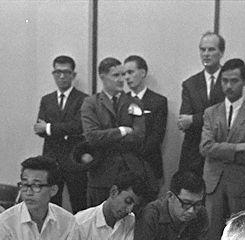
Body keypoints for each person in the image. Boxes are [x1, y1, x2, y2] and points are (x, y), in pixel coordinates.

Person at [200, 57, 245, 240]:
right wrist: (240, 147)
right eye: (224, 81)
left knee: (242, 235)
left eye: (234, 81)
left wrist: (221, 150)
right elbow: (205, 148)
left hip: (241, 183)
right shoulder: (211, 112)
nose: (228, 86)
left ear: (244, 81)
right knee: (210, 233)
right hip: (213, 182)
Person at [80, 57, 151, 206]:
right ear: (102, 77)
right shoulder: (91, 103)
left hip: (129, 173)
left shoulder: (134, 102)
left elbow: (139, 136)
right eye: (116, 75)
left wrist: (106, 137)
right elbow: (92, 137)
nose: (122, 79)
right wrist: (122, 131)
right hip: (101, 173)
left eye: (123, 75)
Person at [35, 55, 89, 213]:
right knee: (52, 205)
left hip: (75, 159)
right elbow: (39, 129)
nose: (62, 76)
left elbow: (79, 127)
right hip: (52, 160)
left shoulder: (84, 99)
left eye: (66, 72)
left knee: (79, 203)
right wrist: (62, 130)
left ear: (73, 75)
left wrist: (50, 128)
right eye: (57, 72)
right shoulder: (47, 100)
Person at [178, 32, 225, 175]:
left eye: (211, 49)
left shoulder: (230, 80)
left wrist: (194, 119)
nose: (206, 54)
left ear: (221, 52)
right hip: (194, 153)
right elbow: (184, 122)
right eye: (202, 49)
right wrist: (191, 120)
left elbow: (225, 117)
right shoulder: (190, 84)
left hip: (221, 152)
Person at [124, 54, 168, 192]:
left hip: (149, 164)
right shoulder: (121, 101)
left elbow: (157, 136)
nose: (127, 77)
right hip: (125, 165)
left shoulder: (158, 101)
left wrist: (137, 156)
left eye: (131, 72)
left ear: (142, 73)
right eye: (124, 73)